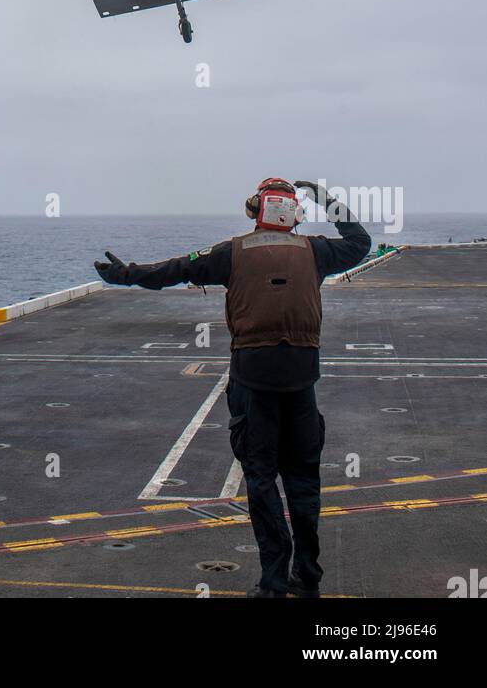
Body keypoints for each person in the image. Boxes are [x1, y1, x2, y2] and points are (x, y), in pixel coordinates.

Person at [94, 178, 371, 598]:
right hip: (301, 379)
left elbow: (173, 270)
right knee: (303, 482)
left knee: (261, 479)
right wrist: (328, 200)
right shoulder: (317, 251)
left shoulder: (232, 253)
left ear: (255, 209)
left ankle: (274, 582)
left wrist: (124, 275)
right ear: (295, 212)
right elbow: (360, 240)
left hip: (252, 378)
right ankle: (308, 579)